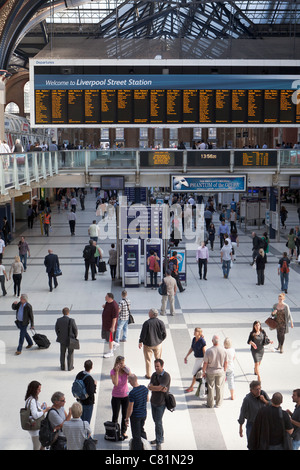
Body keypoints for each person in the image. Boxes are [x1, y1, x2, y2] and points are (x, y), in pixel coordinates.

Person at [238, 380, 271, 445]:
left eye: (259, 388)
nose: (259, 391)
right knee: (251, 444)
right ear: (251, 390)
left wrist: (264, 400)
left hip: (263, 424)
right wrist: (240, 428)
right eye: (256, 389)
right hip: (252, 424)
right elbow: (242, 412)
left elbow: (272, 405)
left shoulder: (263, 393)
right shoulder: (247, 399)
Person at [148, 359, 171, 451]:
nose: (156, 368)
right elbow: (149, 386)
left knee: (158, 422)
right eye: (155, 366)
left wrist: (156, 388)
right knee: (156, 421)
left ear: (162, 366)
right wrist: (156, 388)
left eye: (158, 366)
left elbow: (158, 387)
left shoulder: (166, 376)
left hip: (161, 403)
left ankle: (158, 442)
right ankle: (160, 438)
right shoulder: (154, 375)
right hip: (153, 401)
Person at [139, 308, 167, 379]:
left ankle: (148, 375)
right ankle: (159, 373)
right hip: (158, 344)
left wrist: (140, 341)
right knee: (158, 360)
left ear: (152, 314)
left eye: (149, 312)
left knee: (148, 360)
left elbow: (143, 334)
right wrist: (160, 340)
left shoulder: (146, 323)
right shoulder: (160, 322)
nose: (148, 313)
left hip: (148, 345)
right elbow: (164, 334)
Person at [202, 335, 228, 408]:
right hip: (220, 371)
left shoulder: (208, 351)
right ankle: (218, 403)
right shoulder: (224, 350)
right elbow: (226, 362)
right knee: (219, 387)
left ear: (212, 341)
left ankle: (210, 404)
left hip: (210, 371)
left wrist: (203, 371)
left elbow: (205, 363)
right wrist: (225, 371)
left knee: (210, 387)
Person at [24, 381, 50, 450]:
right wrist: (45, 411)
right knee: (37, 447)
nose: (40, 391)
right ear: (34, 389)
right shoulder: (32, 400)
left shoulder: (29, 399)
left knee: (41, 447)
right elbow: (35, 415)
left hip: (35, 428)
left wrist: (41, 408)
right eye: (38, 389)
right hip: (35, 430)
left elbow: (33, 412)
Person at [125, 374, 149, 450]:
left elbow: (130, 408)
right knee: (141, 430)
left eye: (129, 381)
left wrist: (126, 418)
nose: (128, 382)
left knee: (136, 435)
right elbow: (147, 400)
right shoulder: (145, 388)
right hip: (143, 414)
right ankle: (146, 446)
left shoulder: (132, 393)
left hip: (136, 416)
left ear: (131, 381)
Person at [110, 355, 131, 440]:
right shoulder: (113, 371)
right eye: (121, 363)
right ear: (117, 363)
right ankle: (115, 431)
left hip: (125, 395)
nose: (122, 364)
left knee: (125, 415)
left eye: (123, 363)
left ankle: (123, 431)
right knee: (115, 415)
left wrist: (125, 367)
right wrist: (117, 371)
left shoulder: (125, 370)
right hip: (116, 396)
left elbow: (131, 375)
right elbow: (115, 383)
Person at [184, 328, 206, 393]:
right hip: (197, 358)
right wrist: (186, 356)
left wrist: (205, 361)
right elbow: (192, 348)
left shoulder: (202, 341)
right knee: (197, 373)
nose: (194, 332)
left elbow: (204, 351)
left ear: (199, 333)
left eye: (196, 331)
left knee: (194, 373)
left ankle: (191, 387)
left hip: (201, 359)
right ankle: (195, 385)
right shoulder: (194, 339)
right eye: (194, 331)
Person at [102, 293, 119, 358]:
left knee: (110, 339)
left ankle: (111, 352)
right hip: (106, 324)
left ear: (110, 298)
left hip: (110, 326)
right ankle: (114, 344)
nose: (105, 297)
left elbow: (114, 318)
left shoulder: (114, 306)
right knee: (107, 337)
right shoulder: (107, 303)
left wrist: (113, 327)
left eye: (106, 297)